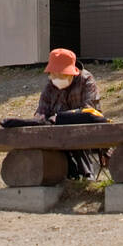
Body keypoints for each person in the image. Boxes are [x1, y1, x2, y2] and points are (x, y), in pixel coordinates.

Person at [33, 47, 105, 179]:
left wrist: (62, 117)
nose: (56, 79)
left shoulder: (86, 80)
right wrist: (40, 117)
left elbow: (89, 110)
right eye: (54, 75)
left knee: (75, 135)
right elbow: (42, 109)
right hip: (57, 133)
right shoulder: (50, 85)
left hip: (86, 130)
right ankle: (66, 175)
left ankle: (87, 175)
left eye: (61, 75)